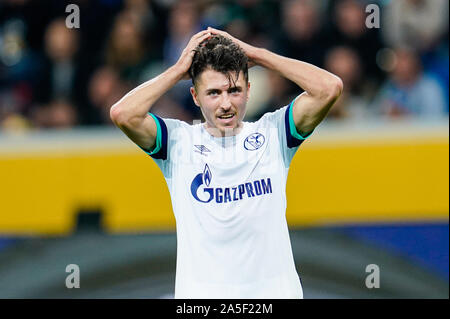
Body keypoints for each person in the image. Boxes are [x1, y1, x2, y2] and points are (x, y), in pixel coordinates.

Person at [110, 27, 342, 299]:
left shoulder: (273, 134)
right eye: (213, 93)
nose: (226, 104)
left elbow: (329, 88)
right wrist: (177, 71)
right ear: (195, 96)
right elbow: (123, 113)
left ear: (248, 90)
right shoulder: (177, 143)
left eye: (234, 90)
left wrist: (259, 55)